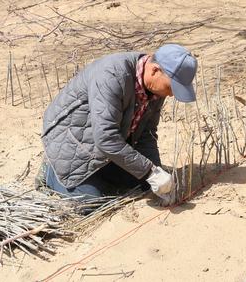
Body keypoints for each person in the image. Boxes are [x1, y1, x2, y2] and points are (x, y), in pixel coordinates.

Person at [37, 44, 197, 204]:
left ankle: (100, 174)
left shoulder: (155, 88)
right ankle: (50, 172)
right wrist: (150, 172)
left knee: (142, 185)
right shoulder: (112, 76)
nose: (170, 94)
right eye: (170, 88)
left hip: (105, 145)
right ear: (155, 70)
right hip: (70, 143)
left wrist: (156, 171)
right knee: (91, 203)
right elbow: (106, 138)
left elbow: (147, 134)